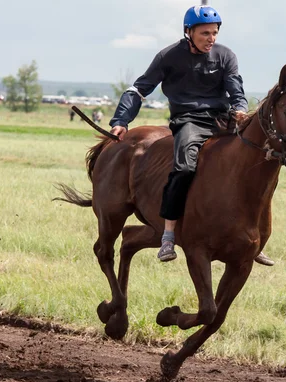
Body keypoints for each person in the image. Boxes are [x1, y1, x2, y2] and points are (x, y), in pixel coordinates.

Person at [108, 5, 275, 267]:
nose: (211, 38)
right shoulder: (168, 57)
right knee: (184, 168)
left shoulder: (226, 56)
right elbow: (139, 90)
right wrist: (121, 121)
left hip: (223, 119)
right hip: (188, 121)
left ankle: (253, 239)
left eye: (215, 33)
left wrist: (241, 110)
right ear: (189, 32)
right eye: (205, 33)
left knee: (256, 162)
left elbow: (235, 89)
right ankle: (168, 233)